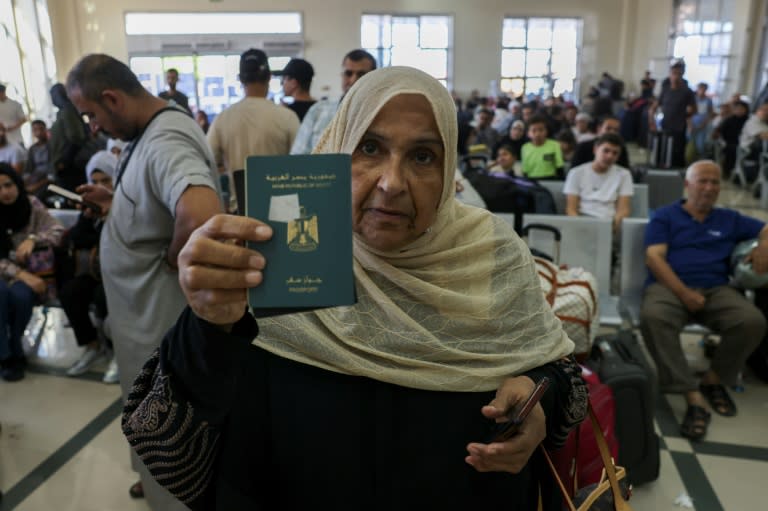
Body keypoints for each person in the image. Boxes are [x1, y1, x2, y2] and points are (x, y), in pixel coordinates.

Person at [122, 67, 587, 510]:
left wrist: (536, 398)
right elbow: (164, 436)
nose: (391, 183)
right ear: (335, 151)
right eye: (369, 148)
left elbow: (560, 375)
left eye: (423, 156)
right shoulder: (273, 258)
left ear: (448, 174)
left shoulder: (489, 253)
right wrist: (208, 325)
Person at [66, 53, 223, 510]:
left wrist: (175, 259)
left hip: (159, 321)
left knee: (168, 420)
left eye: (92, 113)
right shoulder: (146, 132)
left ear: (112, 98)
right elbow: (155, 203)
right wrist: (116, 203)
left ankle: (170, 497)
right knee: (148, 414)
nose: (92, 125)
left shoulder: (166, 137)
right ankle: (153, 480)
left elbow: (200, 215)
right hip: (140, 323)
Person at [640, 160, 767, 441]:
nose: (709, 188)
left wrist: (765, 245)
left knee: (751, 321)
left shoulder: (729, 219)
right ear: (687, 185)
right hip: (670, 286)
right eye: (702, 181)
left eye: (715, 182)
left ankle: (713, 379)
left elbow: (766, 227)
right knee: (653, 317)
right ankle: (690, 393)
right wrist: (684, 293)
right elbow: (654, 258)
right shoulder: (665, 216)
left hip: (716, 289)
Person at [206, 48, 299, 204]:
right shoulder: (287, 117)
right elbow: (302, 163)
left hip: (242, 208)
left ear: (240, 79)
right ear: (269, 77)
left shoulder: (222, 119)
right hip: (282, 206)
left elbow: (207, 161)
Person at [0, 163, 64, 381]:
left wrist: (33, 238)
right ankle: (9, 356)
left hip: (31, 273)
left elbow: (58, 230)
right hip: (8, 274)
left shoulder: (31, 205)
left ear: (17, 183)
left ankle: (12, 346)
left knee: (20, 297)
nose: (5, 192)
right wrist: (20, 274)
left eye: (8, 185)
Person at [60, 150, 117, 382]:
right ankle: (92, 346)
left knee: (104, 297)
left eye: (105, 180)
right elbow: (77, 238)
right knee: (70, 292)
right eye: (94, 182)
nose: (100, 186)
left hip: (118, 274)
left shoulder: (123, 205)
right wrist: (87, 217)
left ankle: (116, 350)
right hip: (95, 271)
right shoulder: (89, 211)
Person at [290, 49, 376, 154]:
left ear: (373, 77)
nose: (353, 80)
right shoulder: (318, 111)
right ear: (342, 75)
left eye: (361, 75)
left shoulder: (380, 113)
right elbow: (299, 157)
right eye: (348, 73)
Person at [564, 133, 633, 233]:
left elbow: (623, 210)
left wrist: (611, 229)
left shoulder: (624, 175)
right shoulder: (576, 173)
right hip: (582, 222)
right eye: (606, 151)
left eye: (615, 153)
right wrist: (581, 228)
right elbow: (571, 209)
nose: (610, 156)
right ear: (595, 149)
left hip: (609, 222)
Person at [648, 62, 696, 168]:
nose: (676, 76)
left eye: (679, 74)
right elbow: (653, 108)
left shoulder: (687, 92)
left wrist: (689, 114)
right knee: (662, 153)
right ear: (670, 74)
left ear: (682, 75)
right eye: (674, 73)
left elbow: (693, 109)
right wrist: (652, 122)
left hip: (679, 128)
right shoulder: (665, 90)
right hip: (665, 126)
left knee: (677, 155)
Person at [521, 115, 564, 180]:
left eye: (541, 130)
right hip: (532, 180)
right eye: (534, 131)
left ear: (546, 131)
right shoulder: (525, 148)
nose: (538, 134)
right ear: (528, 133)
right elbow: (525, 171)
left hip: (551, 179)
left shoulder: (555, 145)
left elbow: (559, 167)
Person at [24, 120, 51, 198]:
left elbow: (52, 174)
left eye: (41, 129)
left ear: (46, 129)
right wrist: (25, 181)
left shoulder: (51, 146)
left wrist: (36, 186)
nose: (38, 132)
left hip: (46, 180)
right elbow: (28, 168)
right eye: (35, 130)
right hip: (35, 178)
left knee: (38, 195)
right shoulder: (32, 149)